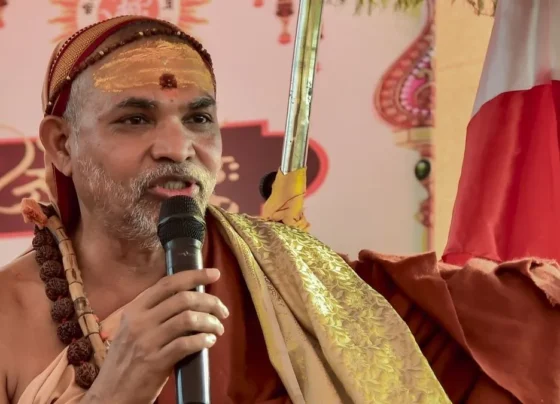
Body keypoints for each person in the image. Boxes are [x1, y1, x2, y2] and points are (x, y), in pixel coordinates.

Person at [0, 14, 557, 404]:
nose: (177, 147)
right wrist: (115, 391)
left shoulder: (292, 283)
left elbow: (491, 329)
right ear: (62, 145)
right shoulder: (8, 315)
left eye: (198, 119)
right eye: (135, 119)